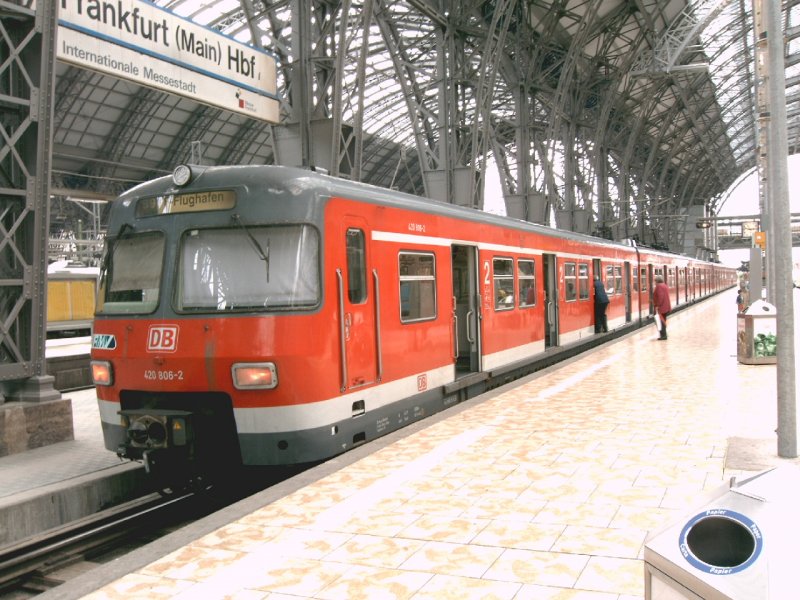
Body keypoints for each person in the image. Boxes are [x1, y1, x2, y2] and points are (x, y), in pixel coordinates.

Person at [652, 275, 672, 340]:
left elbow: (660, 297)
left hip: (662, 307)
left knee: (661, 322)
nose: (654, 283)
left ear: (657, 281)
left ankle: (663, 336)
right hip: (666, 307)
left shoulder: (659, 287)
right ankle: (664, 334)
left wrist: (658, 305)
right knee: (663, 321)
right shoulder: (664, 285)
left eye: (655, 281)